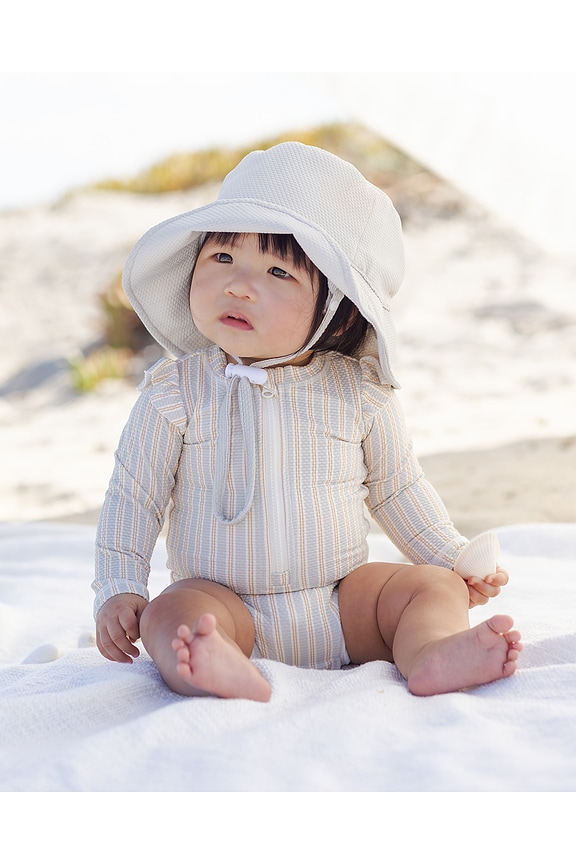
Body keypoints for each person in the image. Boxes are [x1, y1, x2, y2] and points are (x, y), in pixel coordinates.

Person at [93, 142, 522, 701]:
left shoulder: (359, 394)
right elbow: (133, 495)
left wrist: (450, 559)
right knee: (171, 613)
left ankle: (431, 652)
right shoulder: (175, 392)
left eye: (277, 271)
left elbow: (398, 489)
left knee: (429, 589)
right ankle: (211, 662)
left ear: (334, 309)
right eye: (222, 257)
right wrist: (120, 588)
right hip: (225, 605)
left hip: (343, 600)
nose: (239, 284)